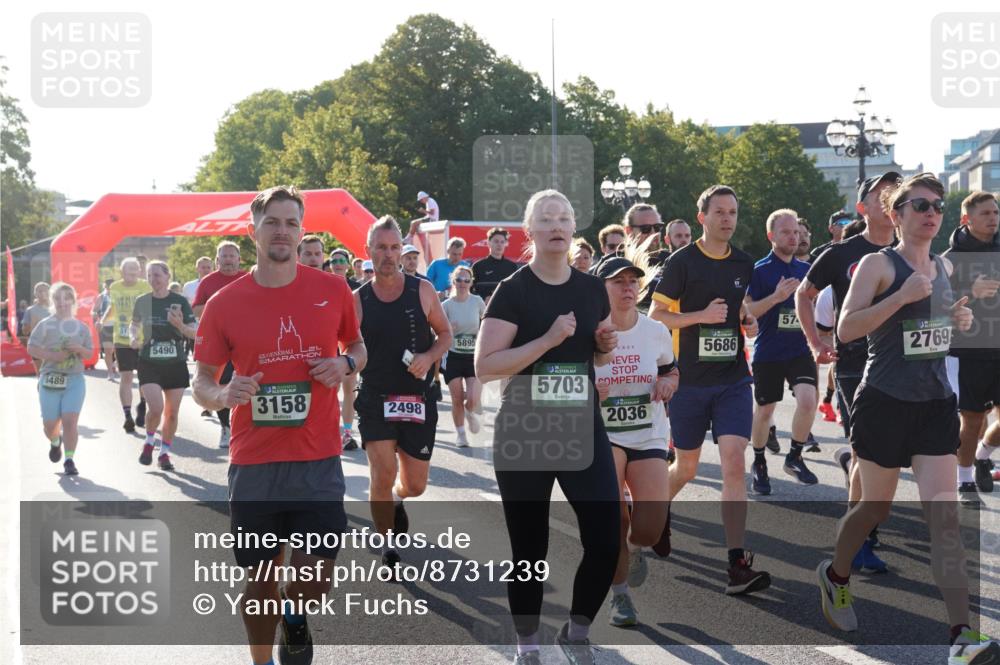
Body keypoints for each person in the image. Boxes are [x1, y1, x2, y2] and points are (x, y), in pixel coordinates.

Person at [816, 173, 1000, 664]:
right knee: (874, 509)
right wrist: (898, 297)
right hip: (884, 401)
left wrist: (954, 320)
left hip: (935, 404)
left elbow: (931, 329)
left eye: (937, 206)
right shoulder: (878, 263)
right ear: (896, 215)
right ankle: (836, 575)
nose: (930, 212)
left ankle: (961, 636)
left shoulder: (942, 266)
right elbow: (846, 328)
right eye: (918, 205)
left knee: (945, 520)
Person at [194, 185, 365, 665]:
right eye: (272, 222)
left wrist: (346, 366)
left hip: (317, 459)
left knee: (315, 579)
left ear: (303, 230)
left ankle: (295, 614)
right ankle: (262, 661)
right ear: (253, 231)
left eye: (292, 223)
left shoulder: (332, 290)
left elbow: (357, 346)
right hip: (256, 464)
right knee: (261, 578)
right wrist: (224, 395)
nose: (282, 231)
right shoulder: (224, 304)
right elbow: (202, 383)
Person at [476, 189, 620, 665]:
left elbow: (596, 353)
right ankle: (528, 647)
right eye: (546, 218)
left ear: (573, 227)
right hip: (525, 432)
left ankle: (577, 632)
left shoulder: (590, 287)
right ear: (530, 230)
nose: (557, 225)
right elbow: (486, 365)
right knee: (530, 549)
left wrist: (603, 344)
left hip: (581, 427)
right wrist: (548, 338)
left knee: (605, 537)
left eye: (564, 218)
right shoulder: (514, 290)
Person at [649, 184, 771, 594]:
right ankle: (656, 510)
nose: (727, 219)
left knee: (734, 461)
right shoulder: (683, 261)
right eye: (719, 212)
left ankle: (737, 561)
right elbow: (657, 314)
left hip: (733, 380)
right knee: (687, 468)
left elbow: (739, 305)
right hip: (689, 382)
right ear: (701, 217)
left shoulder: (743, 261)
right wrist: (700, 315)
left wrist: (748, 319)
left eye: (733, 212)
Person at [796, 171, 899, 572]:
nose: (891, 198)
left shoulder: (912, 251)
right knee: (869, 452)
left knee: (887, 455)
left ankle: (855, 473)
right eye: (881, 194)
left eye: (896, 191)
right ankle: (860, 540)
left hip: (904, 369)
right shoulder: (841, 254)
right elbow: (804, 296)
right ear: (863, 208)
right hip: (856, 365)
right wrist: (815, 344)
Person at [354, 215, 451, 571]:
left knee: (416, 485)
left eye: (394, 247)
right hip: (376, 400)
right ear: (368, 251)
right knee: (380, 474)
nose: (388, 254)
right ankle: (387, 546)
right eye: (381, 247)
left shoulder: (422, 290)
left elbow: (445, 335)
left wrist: (427, 358)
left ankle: (398, 499)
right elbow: (346, 348)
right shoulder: (357, 300)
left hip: (417, 400)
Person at [593, 255, 678, 628]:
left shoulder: (655, 330)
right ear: (602, 288)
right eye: (618, 282)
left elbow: (670, 369)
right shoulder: (589, 332)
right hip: (603, 434)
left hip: (648, 433)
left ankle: (635, 548)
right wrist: (590, 392)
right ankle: (620, 595)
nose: (628, 288)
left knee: (648, 528)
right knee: (614, 516)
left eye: (633, 281)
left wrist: (668, 384)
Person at [745, 209, 820, 495]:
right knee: (765, 410)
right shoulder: (759, 270)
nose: (794, 237)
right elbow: (747, 311)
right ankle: (760, 461)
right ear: (771, 236)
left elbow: (817, 310)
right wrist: (776, 297)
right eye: (786, 232)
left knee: (808, 399)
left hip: (800, 350)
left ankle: (795, 457)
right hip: (769, 351)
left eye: (796, 232)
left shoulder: (806, 271)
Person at [942, 191, 1000, 504]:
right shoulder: (949, 259)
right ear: (967, 219)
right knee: (973, 419)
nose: (993, 219)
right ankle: (963, 480)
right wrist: (971, 291)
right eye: (986, 214)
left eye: (996, 212)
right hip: (967, 351)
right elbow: (934, 304)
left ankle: (983, 455)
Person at [131, 261, 197, 471]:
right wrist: (134, 338)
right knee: (156, 408)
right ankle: (150, 441)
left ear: (167, 277)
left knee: (172, 413)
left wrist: (180, 325)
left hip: (175, 362)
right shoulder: (142, 301)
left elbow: (195, 332)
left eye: (157, 275)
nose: (153, 279)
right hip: (149, 361)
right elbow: (134, 325)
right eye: (150, 275)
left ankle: (164, 453)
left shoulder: (180, 301)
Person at [27, 283, 92, 476]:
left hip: (74, 380)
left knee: (70, 421)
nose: (62, 303)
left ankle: (69, 459)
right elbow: (31, 347)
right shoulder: (45, 324)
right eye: (58, 299)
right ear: (53, 301)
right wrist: (53, 356)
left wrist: (79, 349)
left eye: (66, 298)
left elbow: (89, 354)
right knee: (50, 425)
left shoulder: (81, 327)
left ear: (73, 300)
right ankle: (56, 442)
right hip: (49, 379)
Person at [193, 240, 248, 448]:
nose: (228, 260)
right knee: (223, 384)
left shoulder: (248, 278)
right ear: (217, 260)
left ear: (239, 259)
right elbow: (197, 309)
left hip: (246, 340)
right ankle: (226, 427)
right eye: (223, 256)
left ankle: (244, 426)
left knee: (246, 380)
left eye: (231, 256)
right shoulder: (208, 282)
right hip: (219, 341)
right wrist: (218, 310)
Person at [101, 258, 152, 433]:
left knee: (145, 378)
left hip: (143, 339)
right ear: (122, 271)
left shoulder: (146, 286)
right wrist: (103, 319)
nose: (132, 271)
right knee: (126, 377)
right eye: (128, 269)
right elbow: (114, 307)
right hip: (122, 339)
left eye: (135, 268)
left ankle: (143, 406)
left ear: (139, 271)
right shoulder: (115, 287)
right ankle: (127, 415)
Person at [441, 265, 485, 447]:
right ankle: (461, 434)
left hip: (473, 356)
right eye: (459, 279)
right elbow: (436, 330)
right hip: (453, 356)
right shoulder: (446, 305)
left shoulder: (477, 301)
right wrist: (449, 329)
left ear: (471, 282)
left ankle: (470, 411)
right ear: (453, 282)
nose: (462, 283)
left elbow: (487, 322)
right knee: (457, 397)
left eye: (466, 280)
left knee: (474, 397)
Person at [328, 249, 360, 450]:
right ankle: (330, 430)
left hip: (348, 343)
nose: (338, 263)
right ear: (330, 264)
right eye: (334, 260)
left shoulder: (356, 288)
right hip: (327, 344)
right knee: (331, 391)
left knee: (350, 389)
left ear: (348, 265)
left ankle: (347, 433)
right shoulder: (322, 285)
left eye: (342, 260)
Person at [471, 227, 519, 301]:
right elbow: (469, 290)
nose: (499, 245)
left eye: (502, 242)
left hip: (506, 308)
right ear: (488, 243)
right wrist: (482, 299)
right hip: (483, 309)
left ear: (506, 244)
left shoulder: (512, 267)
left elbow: (517, 291)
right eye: (496, 241)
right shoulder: (478, 266)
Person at [21, 281, 52, 365]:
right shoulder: (30, 310)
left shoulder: (57, 308)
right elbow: (25, 331)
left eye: (45, 290)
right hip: (37, 346)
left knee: (56, 375)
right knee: (42, 376)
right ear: (35, 293)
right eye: (39, 291)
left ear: (50, 292)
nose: (42, 293)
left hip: (55, 346)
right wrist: (31, 324)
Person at [94, 278, 117, 380]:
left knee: (120, 350)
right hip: (106, 326)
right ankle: (110, 373)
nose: (110, 289)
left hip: (119, 326)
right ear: (105, 286)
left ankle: (115, 366)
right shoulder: (101, 296)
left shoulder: (119, 295)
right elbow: (94, 311)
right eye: (108, 287)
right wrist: (96, 319)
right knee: (108, 351)